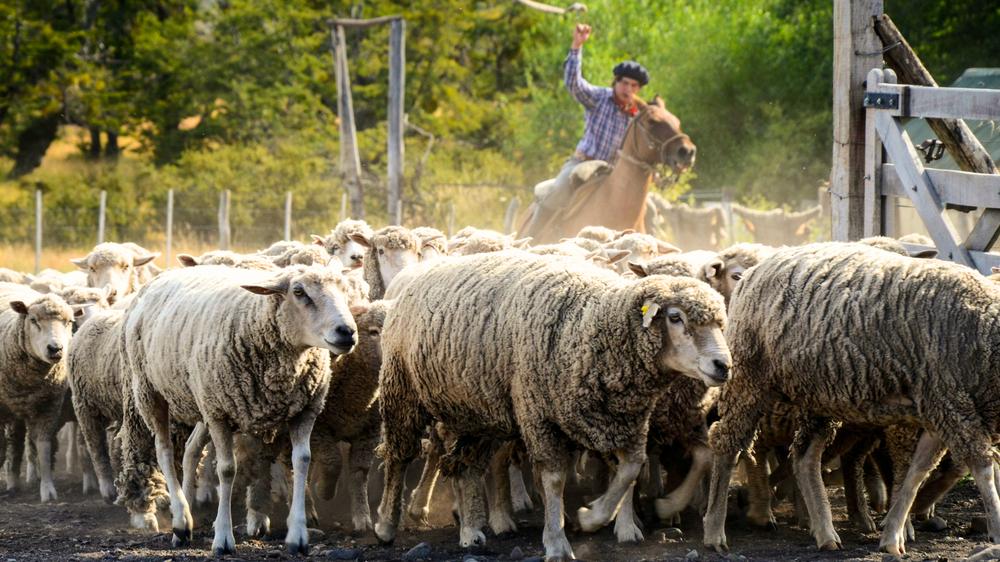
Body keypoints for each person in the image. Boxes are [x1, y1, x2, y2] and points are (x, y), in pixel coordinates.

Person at [533, 23, 650, 212]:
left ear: (638, 89)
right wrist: (577, 46)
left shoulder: (638, 117)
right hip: (583, 163)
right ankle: (535, 229)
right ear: (616, 82)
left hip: (614, 174)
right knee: (557, 192)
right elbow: (574, 84)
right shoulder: (599, 97)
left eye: (634, 86)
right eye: (624, 83)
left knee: (648, 208)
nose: (628, 89)